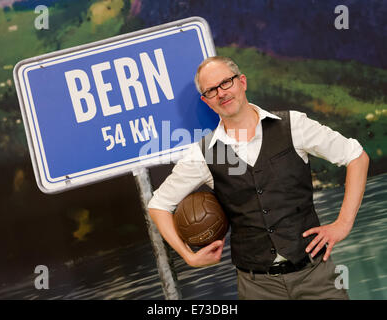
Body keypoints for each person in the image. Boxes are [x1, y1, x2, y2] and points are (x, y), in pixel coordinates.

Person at [148, 56, 369, 300]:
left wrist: (343, 224)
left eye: (226, 83)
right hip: (257, 288)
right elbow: (158, 205)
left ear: (242, 82)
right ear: (206, 101)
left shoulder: (292, 125)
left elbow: (356, 157)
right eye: (211, 90)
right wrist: (189, 256)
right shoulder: (207, 153)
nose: (221, 93)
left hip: (315, 275)